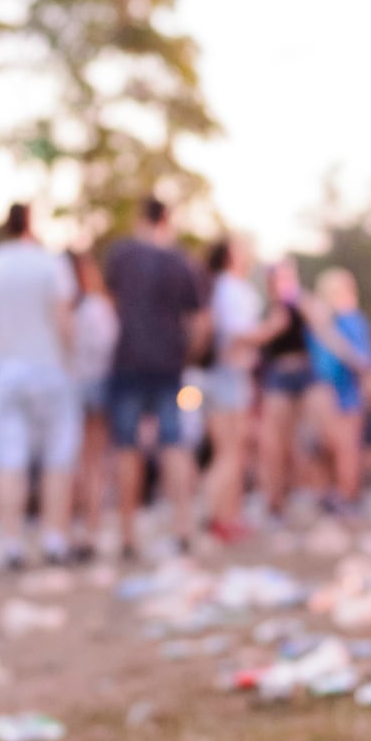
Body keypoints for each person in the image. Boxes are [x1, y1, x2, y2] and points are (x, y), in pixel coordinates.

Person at [0, 203, 81, 568]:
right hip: (50, 369)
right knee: (57, 460)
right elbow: (63, 321)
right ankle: (54, 539)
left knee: (8, 461)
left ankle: (11, 543)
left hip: (5, 371)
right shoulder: (51, 264)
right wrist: (69, 362)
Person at [103, 198, 207, 557]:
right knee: (174, 444)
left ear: (139, 217)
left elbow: (109, 306)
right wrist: (186, 353)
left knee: (127, 448)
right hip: (168, 365)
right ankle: (183, 526)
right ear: (167, 220)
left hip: (127, 361)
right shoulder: (180, 261)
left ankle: (127, 534)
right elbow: (199, 321)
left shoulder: (121, 256)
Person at [202, 239, 262, 543]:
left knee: (232, 449)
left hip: (224, 375)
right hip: (229, 374)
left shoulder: (220, 286)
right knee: (231, 450)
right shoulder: (231, 288)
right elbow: (236, 333)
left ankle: (228, 516)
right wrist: (272, 329)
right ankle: (213, 512)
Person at [303, 267, 371, 511]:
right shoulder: (326, 323)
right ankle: (334, 494)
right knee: (328, 446)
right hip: (328, 389)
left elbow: (362, 360)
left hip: (345, 389)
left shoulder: (347, 321)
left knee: (345, 446)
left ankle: (346, 496)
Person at [253, 260, 315, 517]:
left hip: (302, 375)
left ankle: (290, 495)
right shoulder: (268, 310)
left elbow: (320, 322)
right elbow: (261, 341)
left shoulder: (301, 305)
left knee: (295, 442)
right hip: (278, 376)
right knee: (274, 443)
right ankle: (274, 498)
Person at [69, 251, 118, 557]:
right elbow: (109, 344)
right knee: (95, 461)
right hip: (96, 383)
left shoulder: (66, 308)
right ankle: (92, 527)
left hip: (73, 384)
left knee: (78, 460)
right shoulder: (97, 307)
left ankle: (78, 527)